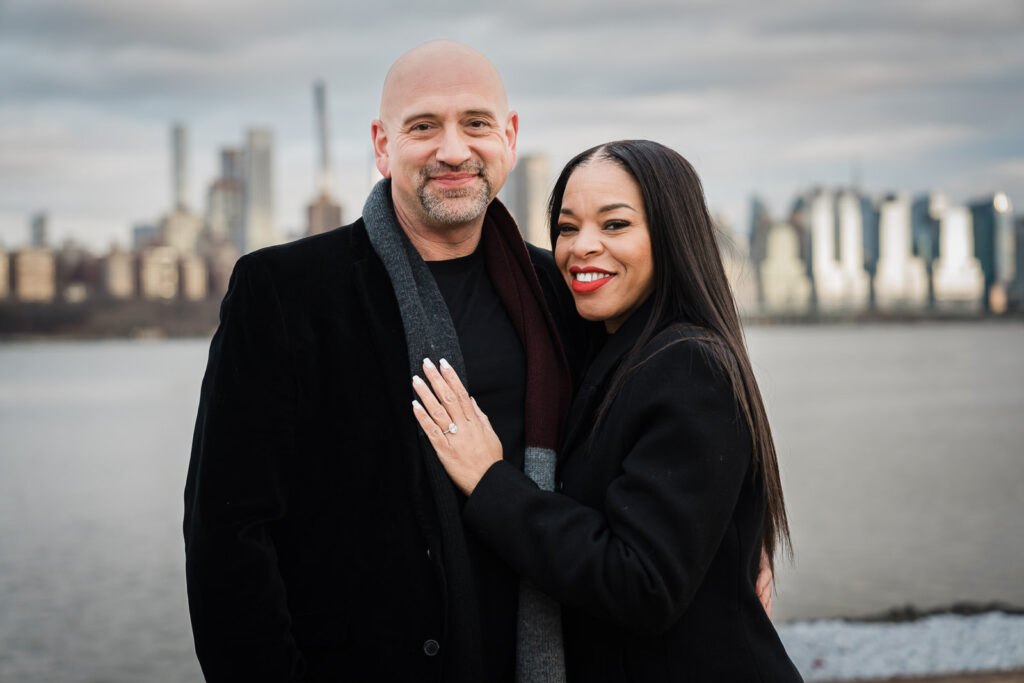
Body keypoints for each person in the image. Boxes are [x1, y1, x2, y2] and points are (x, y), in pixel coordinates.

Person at [185, 38, 773, 681]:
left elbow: (665, 442)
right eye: (423, 126)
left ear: (509, 138)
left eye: (475, 123)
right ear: (382, 145)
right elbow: (228, 536)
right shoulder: (284, 293)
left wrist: (738, 540)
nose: (453, 150)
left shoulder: (563, 293)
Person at [412, 139, 803, 680]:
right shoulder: (611, 351)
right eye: (567, 228)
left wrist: (488, 480)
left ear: (671, 235)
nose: (583, 247)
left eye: (615, 224)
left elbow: (641, 584)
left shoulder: (688, 365)